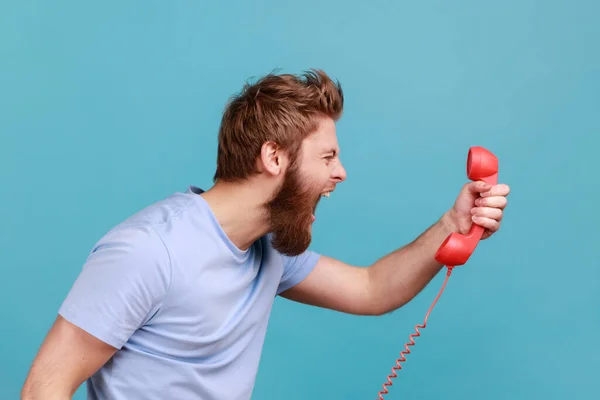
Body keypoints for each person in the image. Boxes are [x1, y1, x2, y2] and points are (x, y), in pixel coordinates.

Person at [21, 69, 510, 400]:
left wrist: (451, 225)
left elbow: (371, 289)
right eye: (327, 157)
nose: (341, 174)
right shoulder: (150, 250)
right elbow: (46, 385)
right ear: (274, 158)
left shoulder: (269, 248)